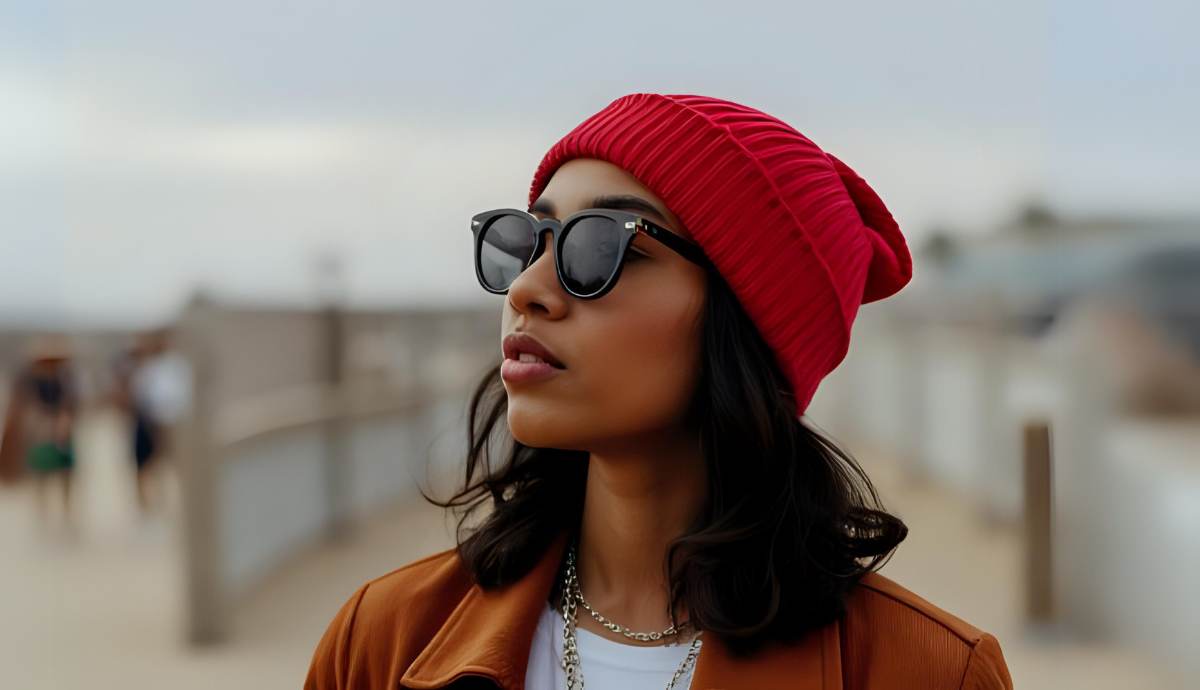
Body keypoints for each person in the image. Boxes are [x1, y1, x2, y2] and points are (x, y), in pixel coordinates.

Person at [305, 93, 1013, 690]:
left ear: (745, 319)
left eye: (601, 247)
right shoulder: (383, 640)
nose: (526, 290)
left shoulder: (927, 673)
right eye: (528, 241)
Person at [1, 335, 79, 529]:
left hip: (60, 432)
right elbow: (26, 406)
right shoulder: (31, 380)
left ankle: (65, 512)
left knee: (64, 473)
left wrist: (62, 421)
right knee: (41, 473)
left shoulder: (64, 379)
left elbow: (70, 405)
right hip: (40, 432)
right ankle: (43, 514)